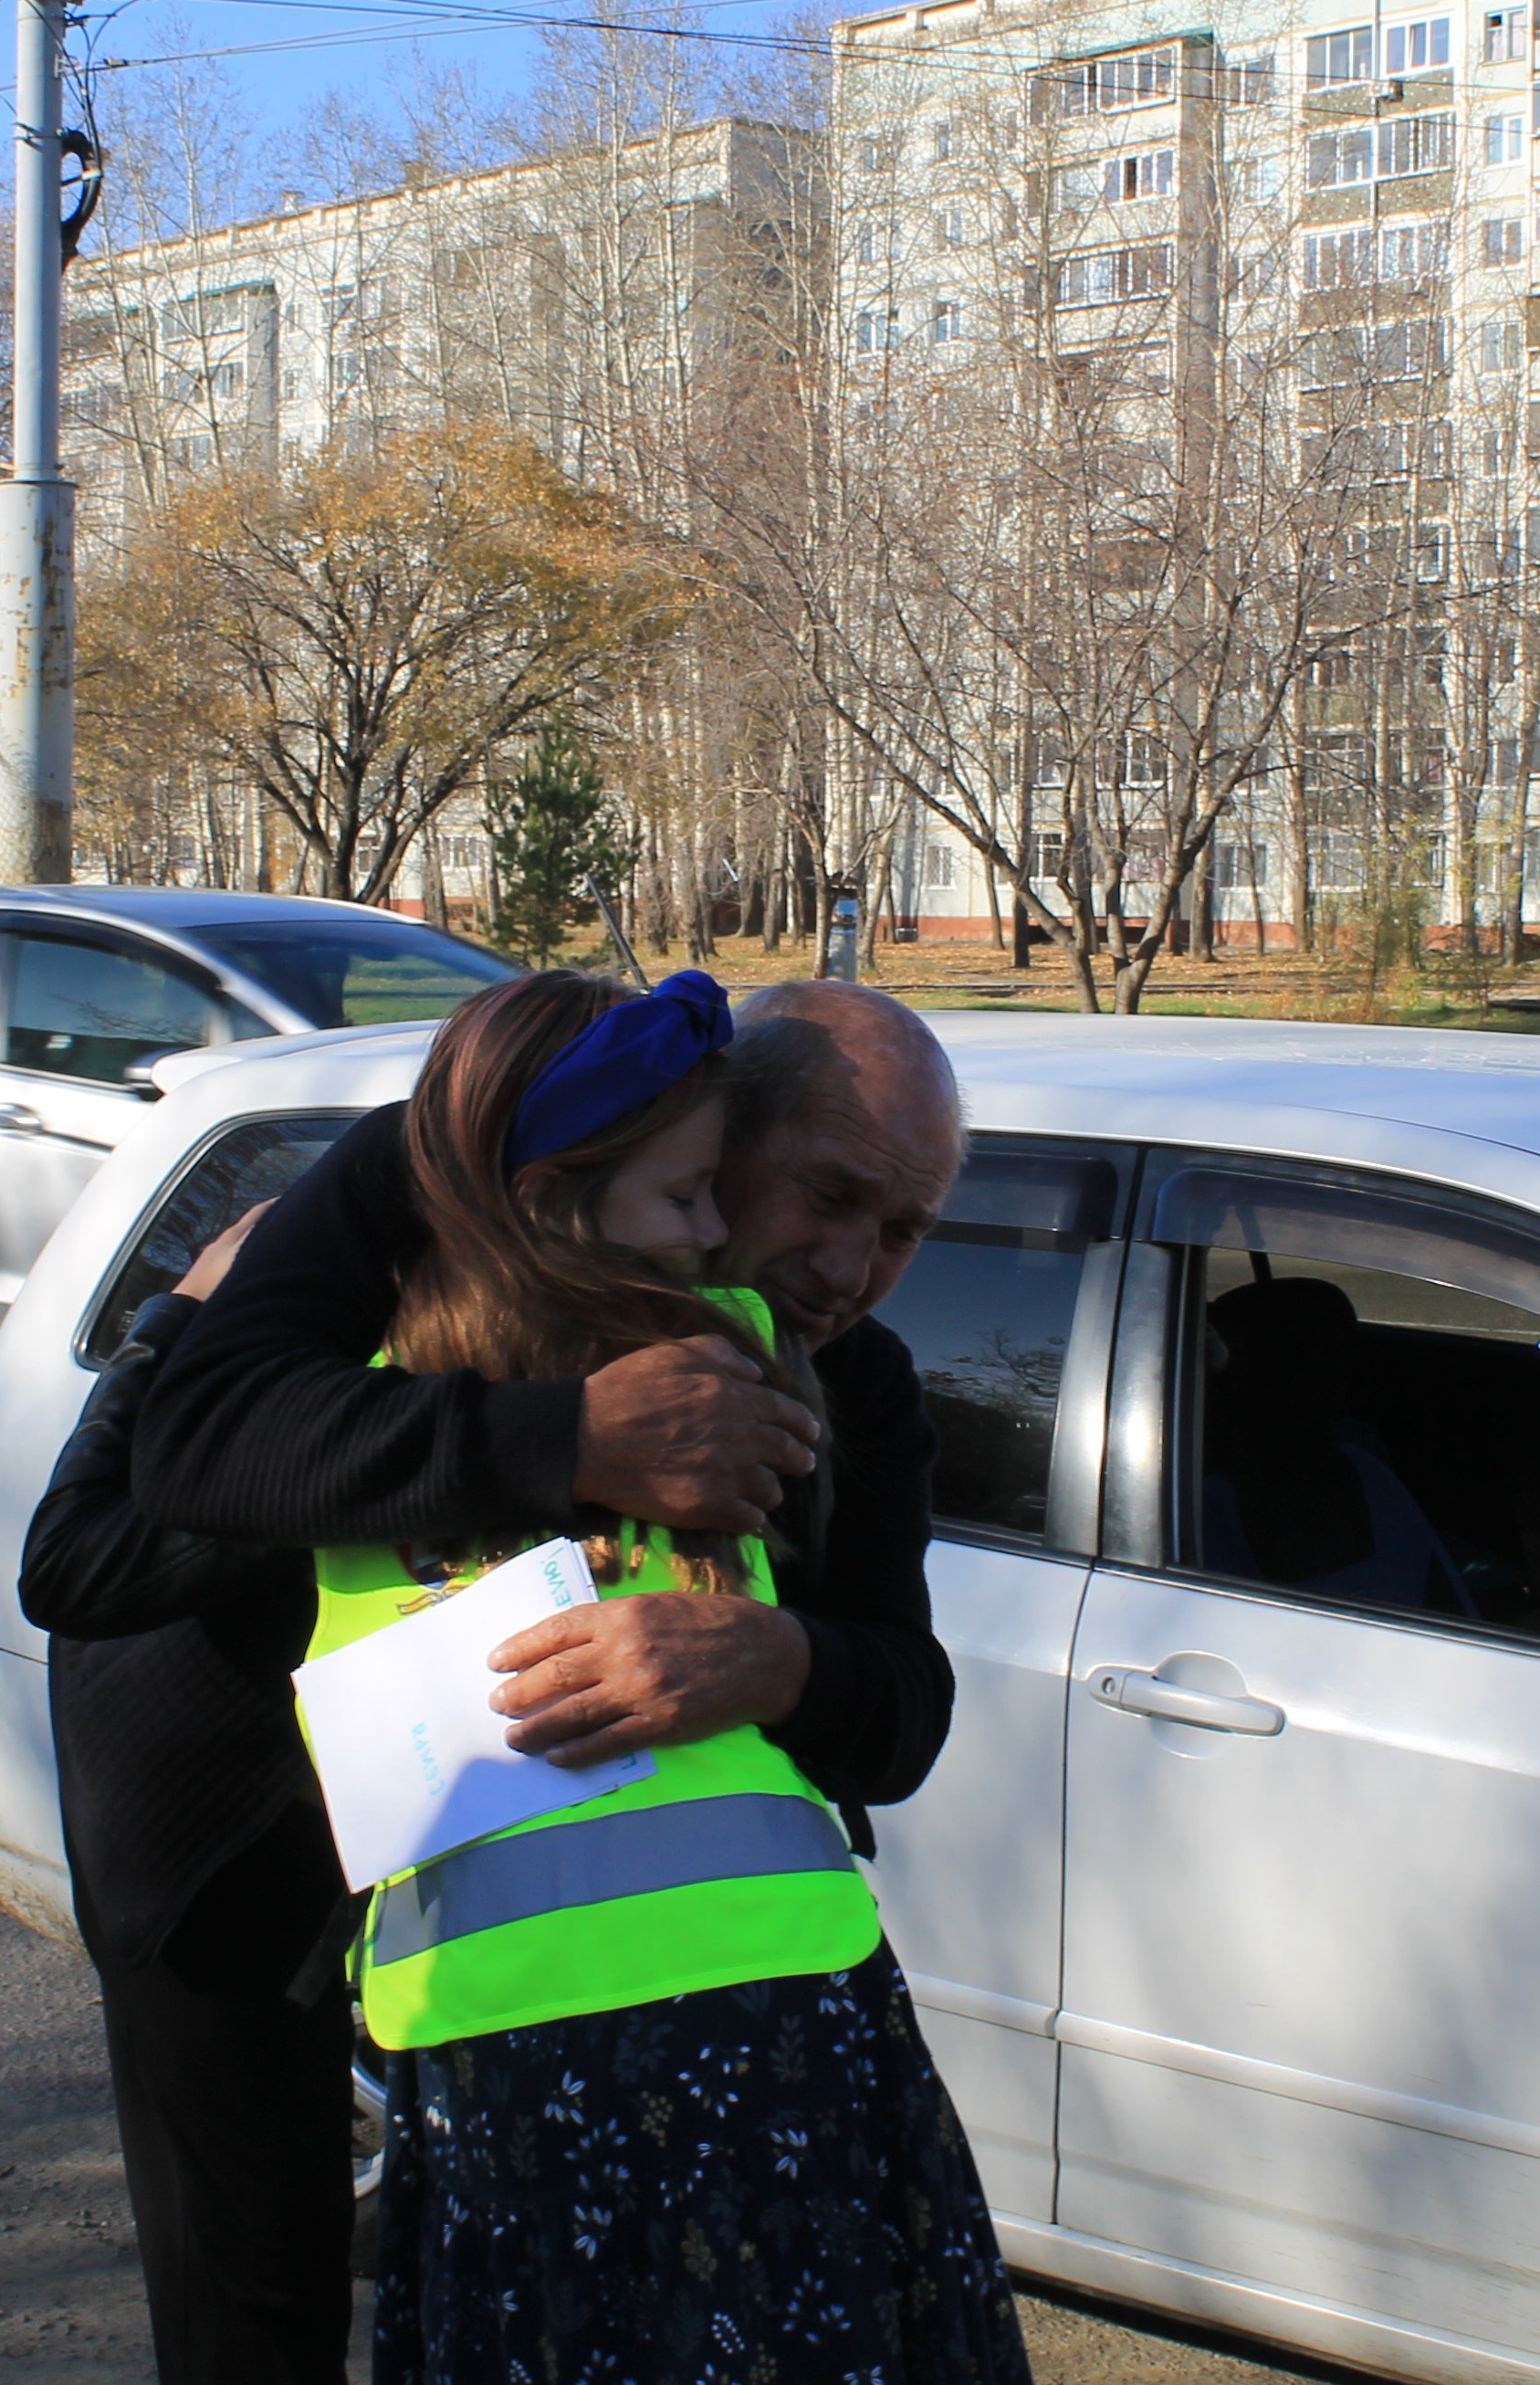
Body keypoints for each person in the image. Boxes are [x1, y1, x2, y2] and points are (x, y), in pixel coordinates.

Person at [136, 970, 1022, 2384]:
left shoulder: (851, 1385)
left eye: (905, 1229)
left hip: (781, 2028)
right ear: (704, 1143)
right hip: (404, 2000)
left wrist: (777, 1661)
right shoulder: (389, 1298)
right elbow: (136, 1510)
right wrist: (572, 1441)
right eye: (832, 1196)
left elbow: (901, 1712)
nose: (855, 1265)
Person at [17, 1202, 351, 2385]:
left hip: (256, 1823)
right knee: (258, 2281)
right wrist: (176, 1318)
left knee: (278, 2259)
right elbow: (70, 1558)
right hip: (203, 1859)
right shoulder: (335, 1339)